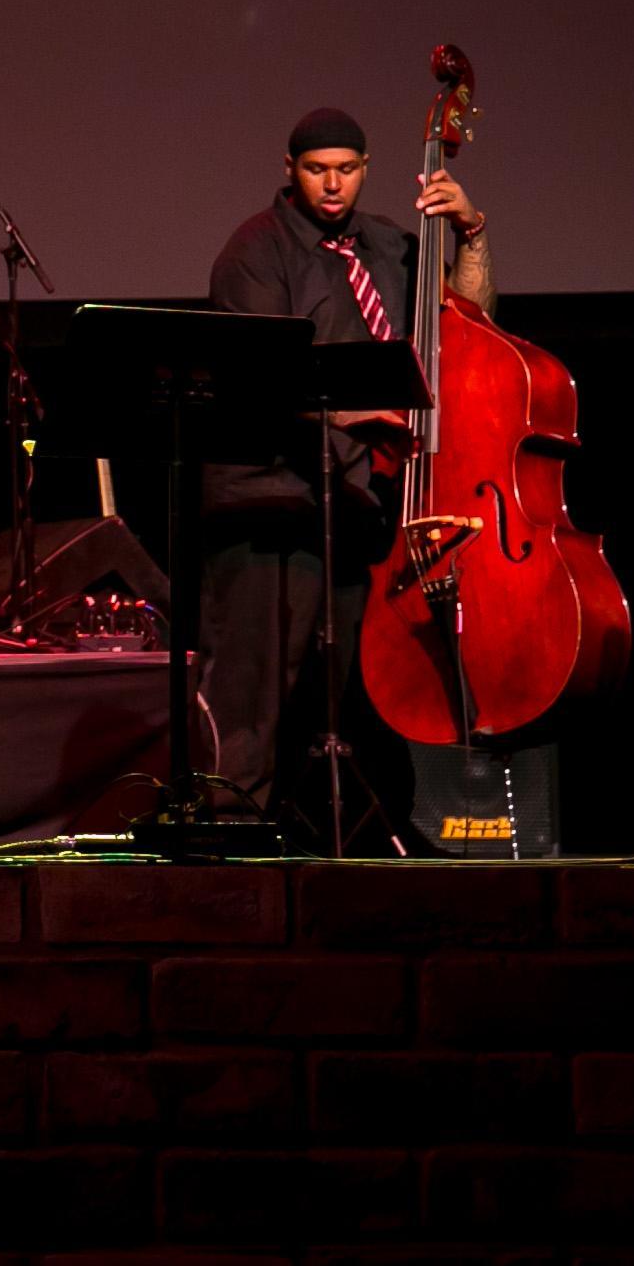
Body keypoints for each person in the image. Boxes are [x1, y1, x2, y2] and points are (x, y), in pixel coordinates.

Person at [200, 107, 495, 841]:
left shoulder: (391, 244)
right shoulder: (255, 250)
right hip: (270, 502)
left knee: (353, 698)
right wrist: (355, 415)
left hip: (362, 503)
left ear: (366, 168)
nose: (332, 185)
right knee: (254, 695)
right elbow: (257, 378)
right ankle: (230, 839)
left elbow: (468, 323)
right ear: (290, 169)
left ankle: (354, 837)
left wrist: (471, 232)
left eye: (346, 169)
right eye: (316, 170)